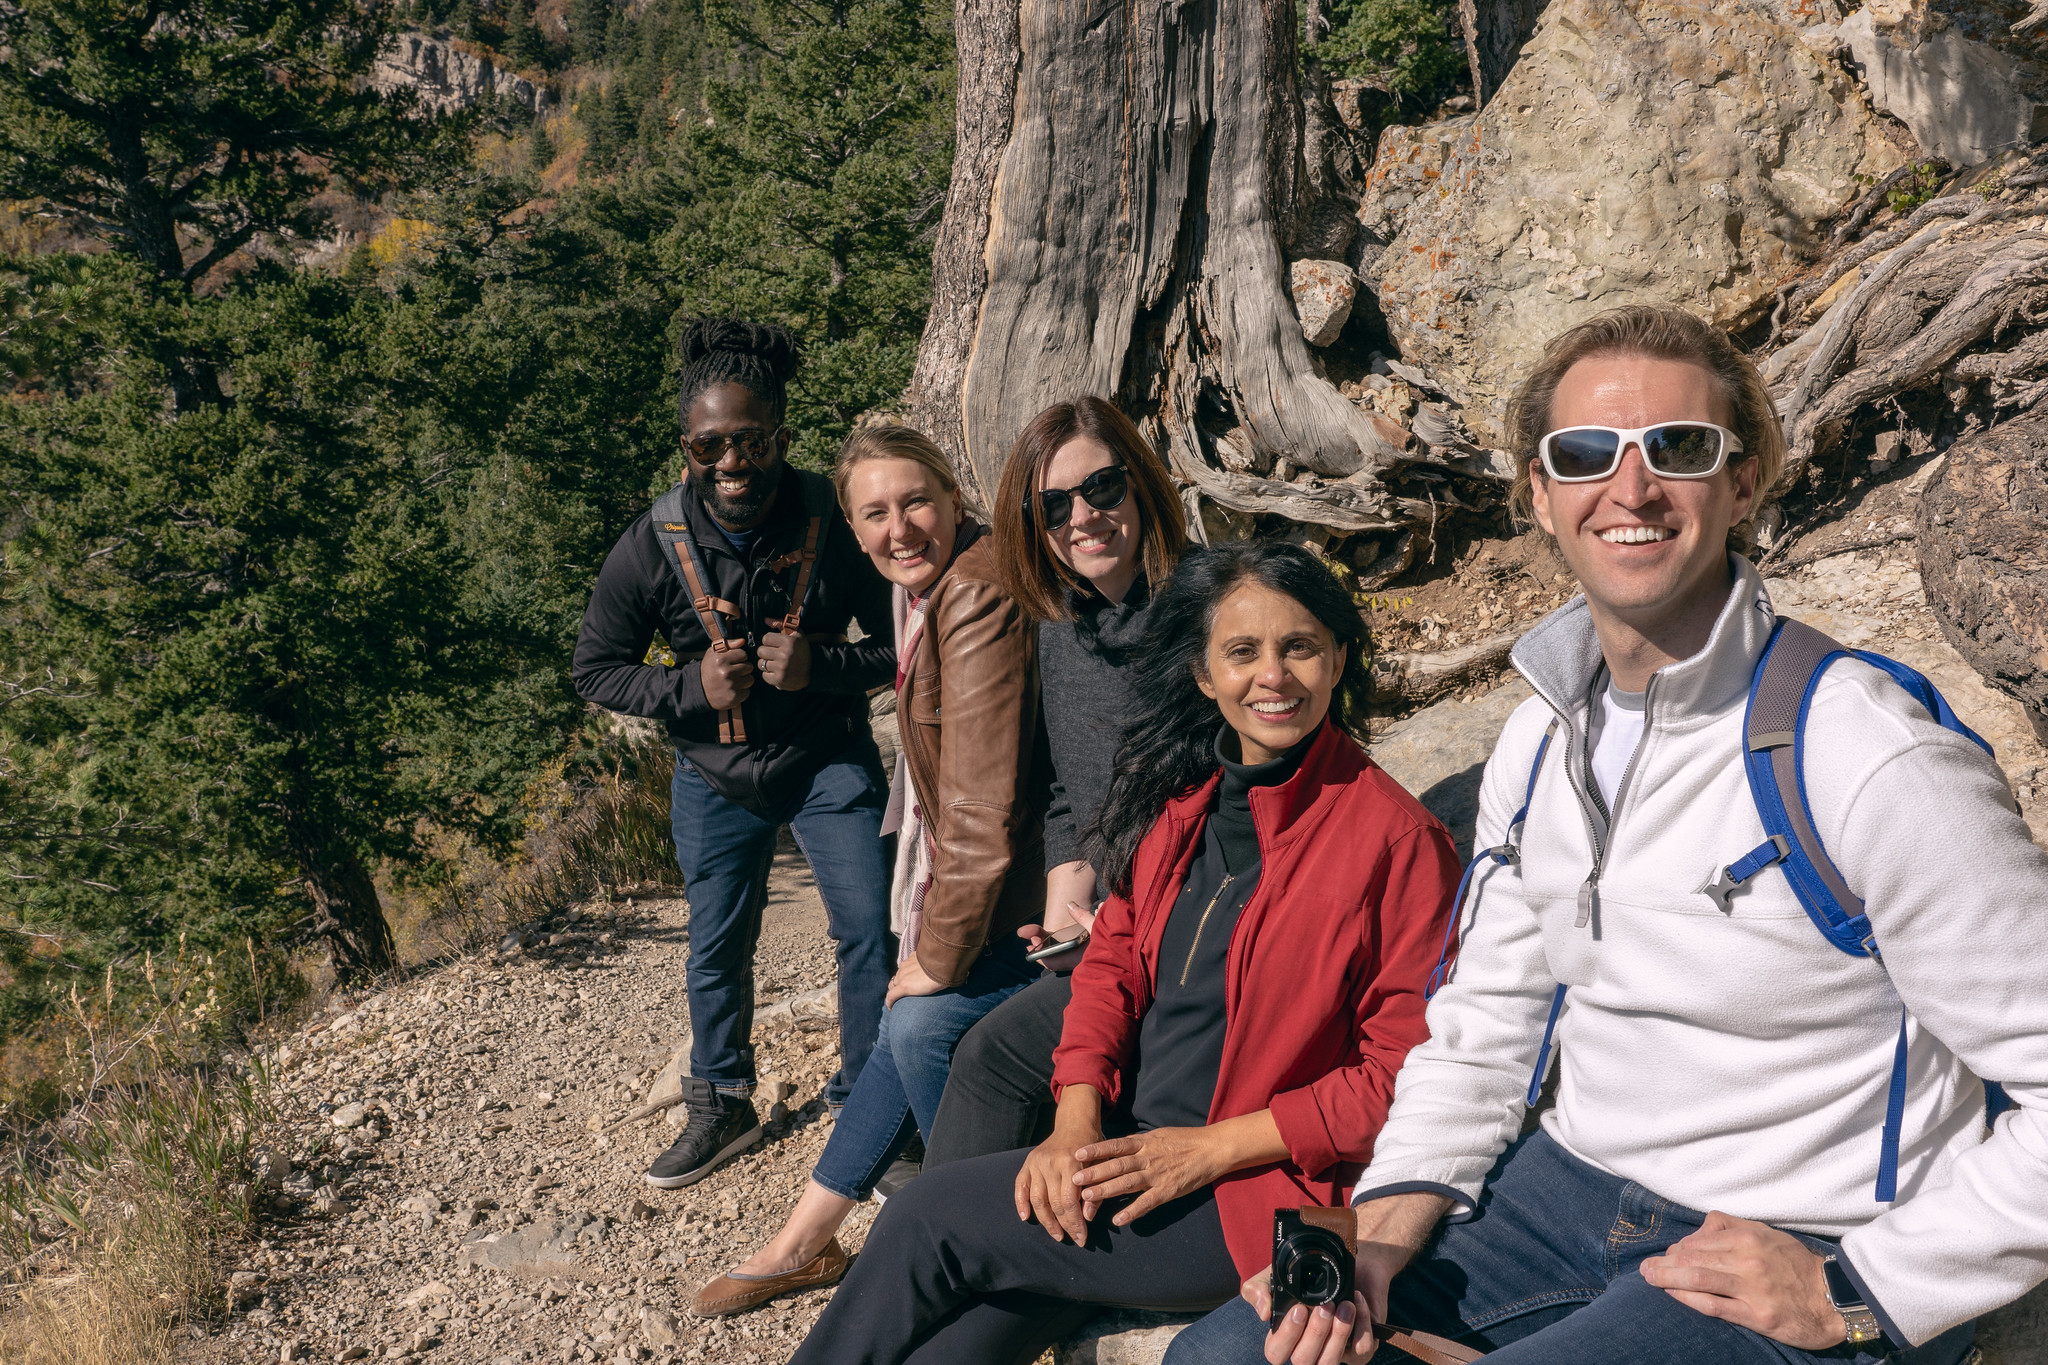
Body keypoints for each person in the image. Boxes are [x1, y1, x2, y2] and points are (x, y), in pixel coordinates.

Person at [1171, 305, 2048, 1365]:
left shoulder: (1862, 757)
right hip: (1565, 1190)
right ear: (1538, 496)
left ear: (1742, 479)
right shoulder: (1540, 737)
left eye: (1675, 449)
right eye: (1583, 454)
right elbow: (1489, 1017)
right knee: (1221, 1356)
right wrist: (1387, 1223)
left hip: (1796, 1230)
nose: (1628, 490)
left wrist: (1861, 1288)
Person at [784, 541, 1464, 1365]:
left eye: (1301, 647)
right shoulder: (1187, 811)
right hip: (1126, 1153)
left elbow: (1400, 1076)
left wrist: (1208, 1148)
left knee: (922, 1215)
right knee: (955, 1344)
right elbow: (1109, 972)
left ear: (1339, 659)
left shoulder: (1396, 841)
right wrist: (1073, 1118)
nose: (1274, 675)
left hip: (1249, 1195)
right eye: (1242, 651)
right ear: (1205, 675)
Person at [688, 424, 1053, 1316]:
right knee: (904, 1009)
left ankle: (977, 1245)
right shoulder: (923, 594)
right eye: (876, 512)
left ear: (955, 499)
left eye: (916, 502)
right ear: (853, 529)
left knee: (918, 1019)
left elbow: (981, 806)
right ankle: (805, 1241)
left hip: (1042, 903)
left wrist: (936, 953)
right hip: (1008, 886)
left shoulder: (971, 597)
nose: (900, 528)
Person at [571, 319, 896, 1191]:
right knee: (716, 943)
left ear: (782, 437)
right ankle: (720, 1102)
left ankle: (870, 1102)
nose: (732, 463)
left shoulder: (834, 520)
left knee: (870, 927)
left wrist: (825, 666)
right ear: (687, 446)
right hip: (714, 774)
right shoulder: (651, 542)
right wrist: (688, 692)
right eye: (710, 444)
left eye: (750, 441)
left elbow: (907, 642)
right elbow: (595, 668)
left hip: (828, 758)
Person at [923, 397, 1189, 1168]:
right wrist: (1066, 917)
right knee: (921, 1029)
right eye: (1053, 505)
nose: (1084, 516)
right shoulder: (1063, 628)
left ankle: (958, 1245)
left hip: (1189, 930)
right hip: (1108, 928)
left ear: (1140, 484)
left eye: (1102, 487)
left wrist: (1115, 923)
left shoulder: (1207, 608)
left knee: (986, 1059)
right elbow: (1070, 797)